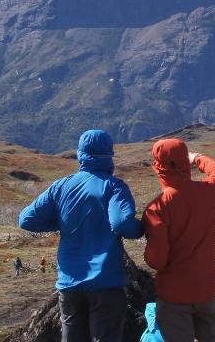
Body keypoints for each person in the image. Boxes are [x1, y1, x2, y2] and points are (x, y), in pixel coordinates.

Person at [19, 129, 143, 342]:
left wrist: (62, 222)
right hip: (106, 283)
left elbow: (26, 220)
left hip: (69, 283)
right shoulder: (113, 186)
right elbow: (123, 224)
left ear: (80, 154)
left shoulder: (61, 186)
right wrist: (142, 228)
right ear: (109, 154)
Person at [142, 138, 215, 342]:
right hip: (206, 290)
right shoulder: (210, 192)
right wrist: (198, 158)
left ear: (158, 166)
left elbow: (157, 260)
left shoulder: (158, 208)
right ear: (185, 163)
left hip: (174, 296)